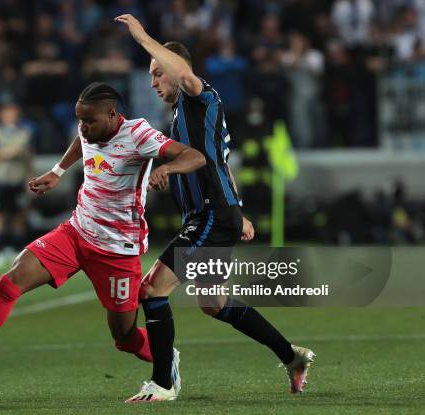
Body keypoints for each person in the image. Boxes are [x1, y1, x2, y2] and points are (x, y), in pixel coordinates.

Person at [0, 83, 206, 388]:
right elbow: (82, 141)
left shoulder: (139, 135)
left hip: (117, 250)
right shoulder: (90, 129)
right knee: (10, 281)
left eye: (89, 120)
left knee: (124, 338)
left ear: (112, 114)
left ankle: (165, 355)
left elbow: (194, 156)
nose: (83, 126)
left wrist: (168, 169)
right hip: (76, 232)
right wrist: (57, 170)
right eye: (79, 120)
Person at [115, 14, 315, 402]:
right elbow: (219, 160)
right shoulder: (185, 114)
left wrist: (142, 38)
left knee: (152, 289)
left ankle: (164, 383)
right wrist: (239, 211)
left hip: (210, 214)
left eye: (158, 74)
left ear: (178, 70)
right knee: (213, 302)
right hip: (215, 213)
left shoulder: (198, 93)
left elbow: (186, 83)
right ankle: (292, 356)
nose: (153, 82)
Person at [0, 103, 33, 268]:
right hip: (1, 181)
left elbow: (29, 159)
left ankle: (16, 250)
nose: (11, 115)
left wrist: (30, 180)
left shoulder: (25, 133)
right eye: (7, 112)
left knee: (18, 217)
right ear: (2, 115)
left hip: (17, 180)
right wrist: (9, 152)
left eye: (13, 112)